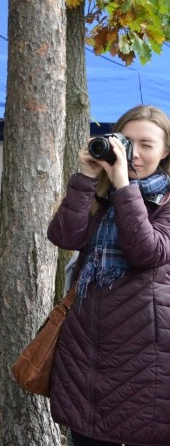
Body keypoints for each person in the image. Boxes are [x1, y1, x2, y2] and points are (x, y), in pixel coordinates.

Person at [48, 105, 170, 446]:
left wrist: (123, 186)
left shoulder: (166, 201)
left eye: (147, 144)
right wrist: (86, 177)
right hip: (88, 356)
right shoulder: (99, 194)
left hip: (148, 361)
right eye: (127, 142)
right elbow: (64, 237)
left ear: (165, 151)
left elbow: (147, 251)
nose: (135, 153)